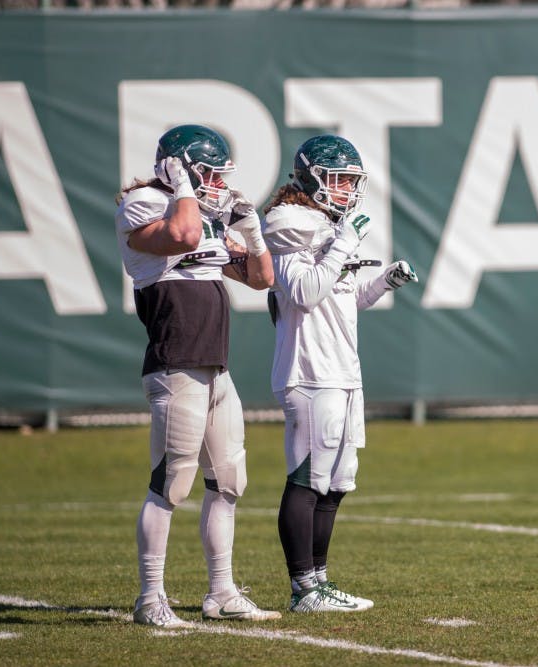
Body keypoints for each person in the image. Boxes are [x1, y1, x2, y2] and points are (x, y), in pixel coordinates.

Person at [115, 124, 280, 627]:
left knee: (229, 480)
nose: (214, 182)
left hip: (214, 364)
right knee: (172, 482)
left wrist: (252, 234)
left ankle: (222, 591)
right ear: (181, 167)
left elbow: (261, 278)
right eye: (205, 172)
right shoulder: (146, 203)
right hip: (176, 362)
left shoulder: (201, 213)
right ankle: (150, 598)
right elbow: (182, 235)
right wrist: (185, 189)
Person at [262, 134, 419, 612]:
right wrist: (344, 243)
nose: (348, 189)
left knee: (336, 482)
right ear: (311, 177)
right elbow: (304, 293)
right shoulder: (288, 222)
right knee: (307, 478)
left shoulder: (330, 225)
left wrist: (382, 283)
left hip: (343, 370)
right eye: (339, 179)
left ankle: (320, 582)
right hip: (310, 371)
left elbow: (343, 300)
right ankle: (303, 589)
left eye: (353, 180)